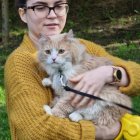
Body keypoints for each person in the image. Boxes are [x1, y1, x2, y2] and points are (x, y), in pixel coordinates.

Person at [4, 0, 140, 139]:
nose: (53, 15)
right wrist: (107, 131)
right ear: (23, 14)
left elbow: (137, 74)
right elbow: (35, 132)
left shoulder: (81, 45)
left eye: (59, 6)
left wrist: (108, 73)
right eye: (40, 7)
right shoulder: (20, 62)